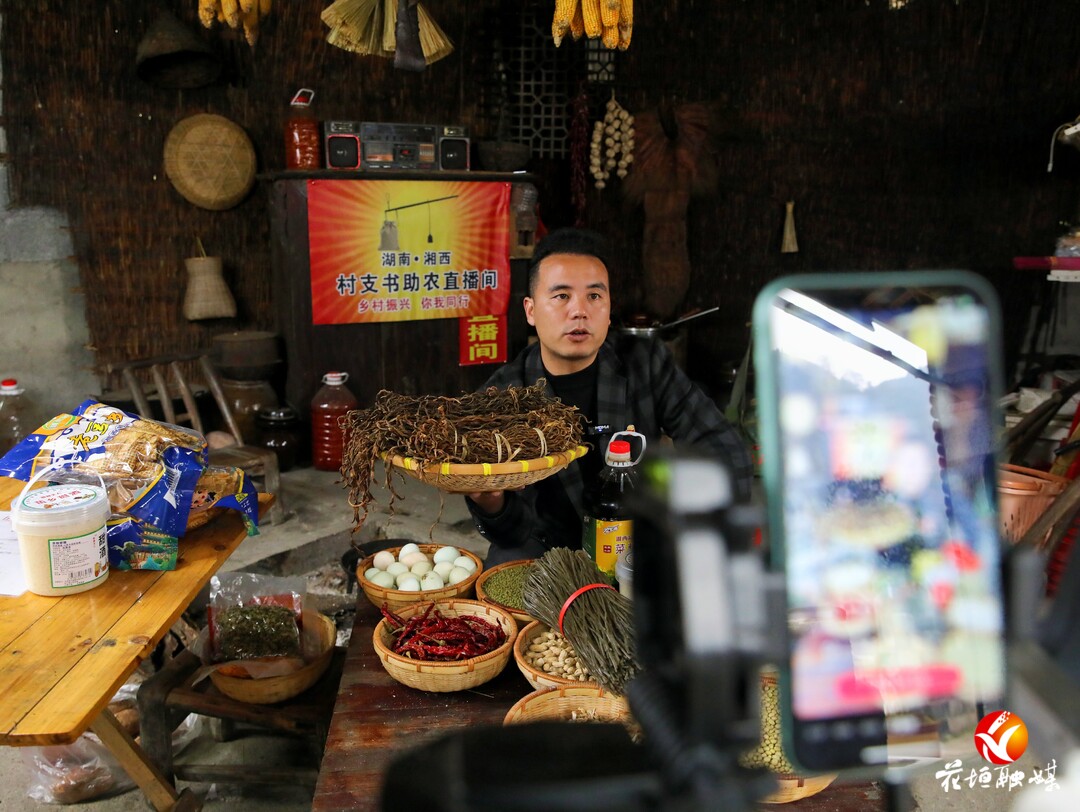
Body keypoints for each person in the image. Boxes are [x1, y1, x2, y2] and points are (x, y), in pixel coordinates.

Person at [466, 227, 754, 565]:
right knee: (506, 567)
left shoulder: (644, 362)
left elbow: (721, 444)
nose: (579, 311)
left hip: (636, 540)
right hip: (547, 550)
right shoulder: (502, 396)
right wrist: (491, 504)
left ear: (608, 305)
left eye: (594, 296)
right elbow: (511, 532)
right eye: (561, 296)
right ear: (530, 310)